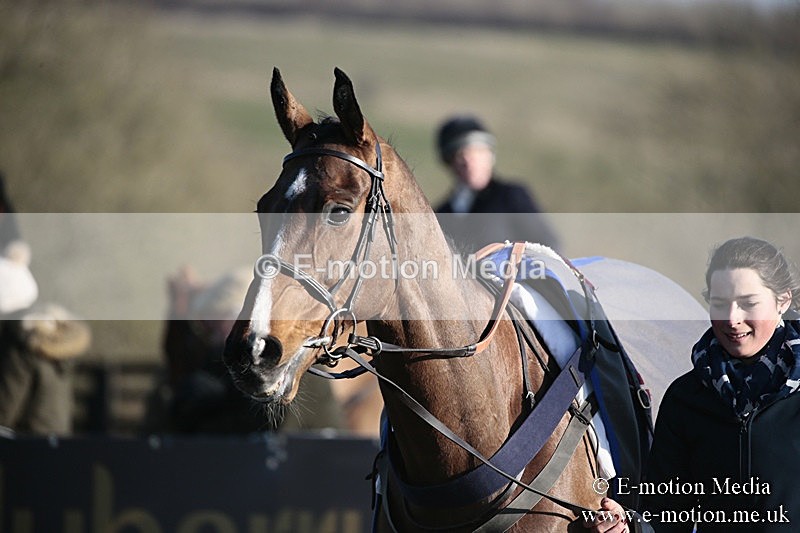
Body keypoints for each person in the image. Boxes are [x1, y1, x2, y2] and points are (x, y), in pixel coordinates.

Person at [586, 236, 800, 532]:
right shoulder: (685, 398)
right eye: (720, 303)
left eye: (748, 303)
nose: (732, 318)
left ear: (783, 301)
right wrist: (630, 527)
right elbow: (665, 516)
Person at [433, 115, 559, 253]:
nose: (469, 162)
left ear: (490, 155)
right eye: (461, 155)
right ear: (449, 162)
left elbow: (548, 245)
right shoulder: (441, 214)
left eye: (478, 151)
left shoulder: (511, 196)